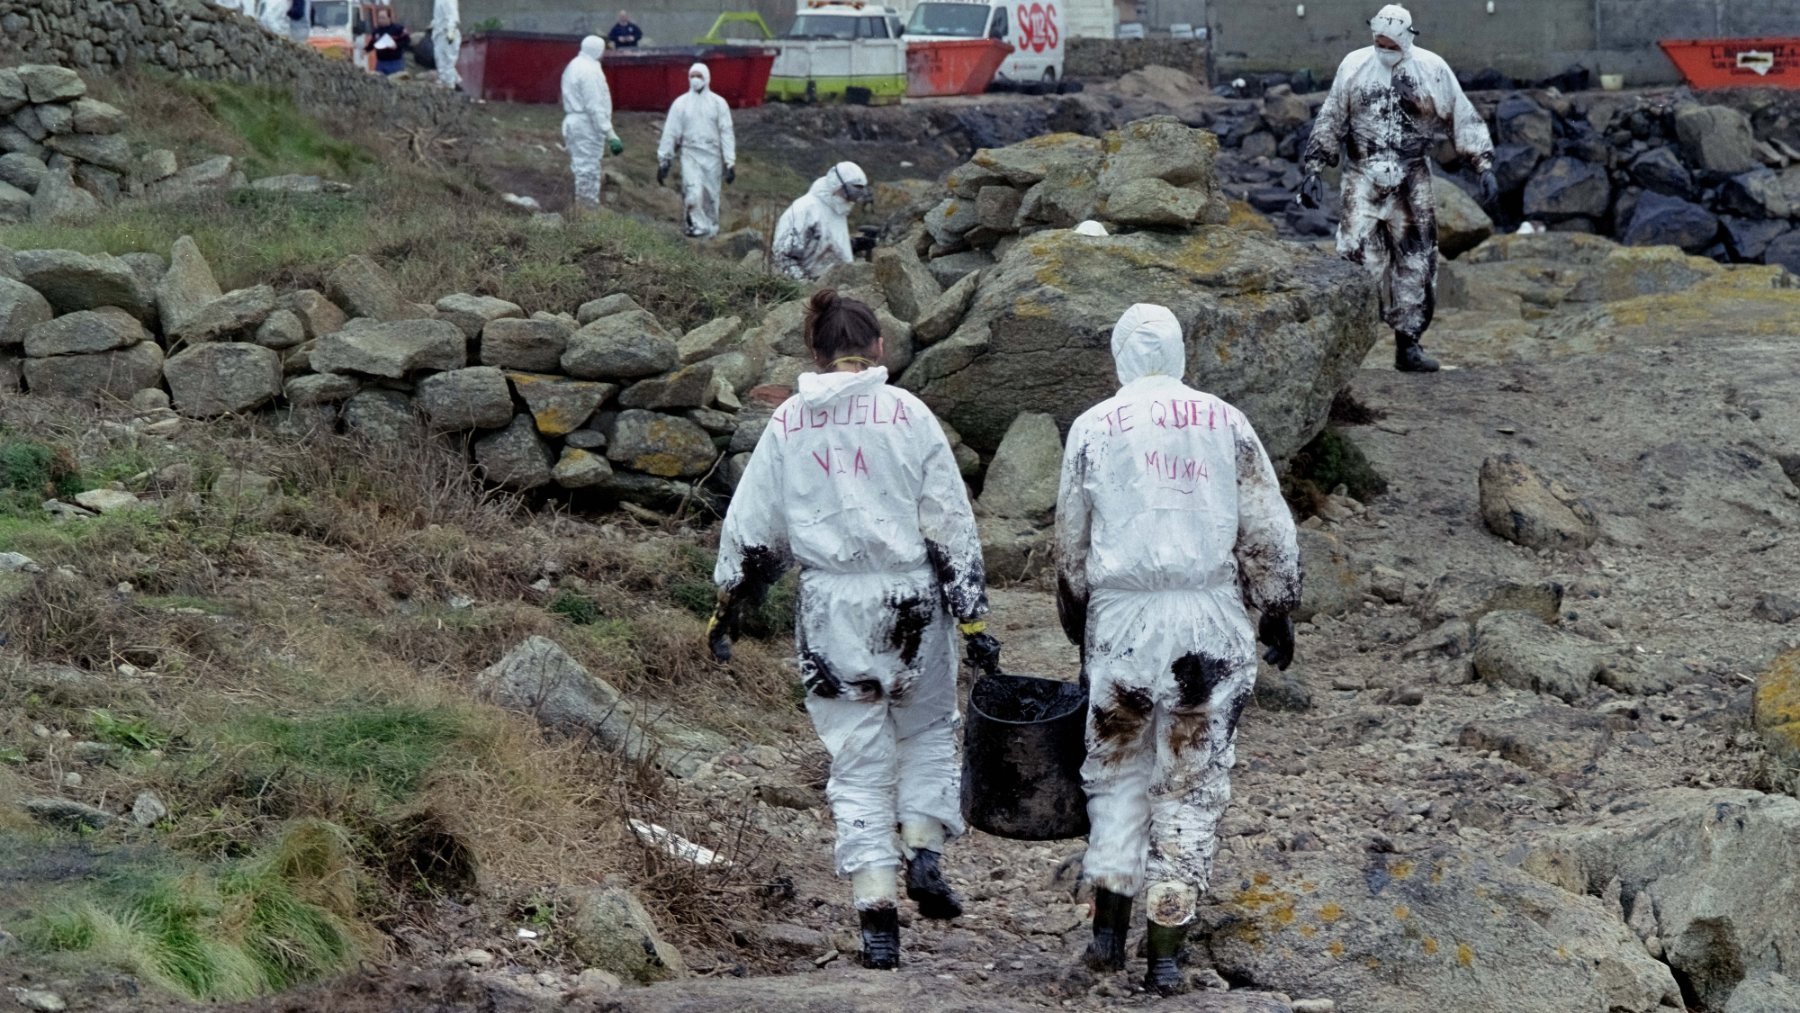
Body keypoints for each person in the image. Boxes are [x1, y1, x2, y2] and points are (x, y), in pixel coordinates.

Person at [710, 289, 999, 970]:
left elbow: (755, 530)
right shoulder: (910, 415)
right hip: (911, 602)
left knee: (859, 759)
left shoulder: (789, 424)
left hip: (832, 609)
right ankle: (923, 848)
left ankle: (876, 913)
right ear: (877, 349)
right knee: (928, 730)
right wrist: (974, 616)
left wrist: (729, 608)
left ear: (814, 354)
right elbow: (949, 525)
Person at [1055, 304, 1301, 995]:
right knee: (1190, 788)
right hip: (1208, 622)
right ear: (1180, 352)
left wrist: (1078, 617)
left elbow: (1071, 537)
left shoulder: (1094, 426)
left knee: (1113, 776)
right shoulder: (1225, 422)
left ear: (1120, 354)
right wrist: (1278, 606)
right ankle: (1165, 953)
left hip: (1124, 621)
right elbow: (1264, 524)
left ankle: (1106, 939)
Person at [1298, 4, 1495, 373]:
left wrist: (1482, 163)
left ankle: (1409, 345)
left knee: (1417, 262)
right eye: (1378, 40)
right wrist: (1313, 168)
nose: (1383, 46)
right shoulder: (1354, 65)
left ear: (1407, 37)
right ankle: (1344, 351)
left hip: (1412, 176)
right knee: (1357, 260)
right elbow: (1332, 116)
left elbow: (1461, 114)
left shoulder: (1433, 69)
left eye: (1390, 42)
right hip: (1363, 175)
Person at [657, 63, 737, 239]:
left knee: (711, 195)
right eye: (692, 75)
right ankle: (694, 227)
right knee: (693, 192)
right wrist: (665, 159)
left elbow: (726, 132)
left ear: (707, 78)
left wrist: (729, 162)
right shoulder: (681, 103)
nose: (695, 79)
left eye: (699, 76)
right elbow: (671, 132)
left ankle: (711, 231)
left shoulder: (718, 103)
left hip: (712, 155)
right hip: (690, 153)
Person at [771, 162, 872, 281]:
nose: (857, 195)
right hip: (813, 290)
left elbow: (820, 243)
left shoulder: (837, 209)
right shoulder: (804, 210)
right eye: (856, 188)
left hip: (836, 287)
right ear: (838, 184)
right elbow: (784, 256)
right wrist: (805, 287)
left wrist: (852, 244)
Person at [560, 35, 623, 210]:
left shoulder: (574, 65)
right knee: (588, 168)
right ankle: (587, 210)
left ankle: (584, 207)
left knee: (581, 166)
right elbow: (595, 105)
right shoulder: (589, 71)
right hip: (585, 124)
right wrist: (610, 133)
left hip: (575, 121)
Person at [368, 7, 411, 76]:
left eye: (383, 18)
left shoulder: (398, 29)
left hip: (395, 63)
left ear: (389, 18)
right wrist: (365, 50)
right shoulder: (376, 31)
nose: (380, 20)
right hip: (381, 62)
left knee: (395, 83)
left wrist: (397, 45)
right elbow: (372, 43)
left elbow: (407, 41)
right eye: (379, 18)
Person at [432, 0, 461, 89]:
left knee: (448, 62)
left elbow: (452, 16)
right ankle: (453, 84)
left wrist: (450, 32)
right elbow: (438, 16)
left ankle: (450, 86)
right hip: (440, 33)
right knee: (440, 60)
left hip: (447, 34)